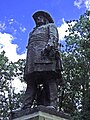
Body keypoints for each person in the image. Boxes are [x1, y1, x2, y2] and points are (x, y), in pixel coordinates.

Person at [22, 11, 62, 109]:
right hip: (32, 57)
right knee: (31, 82)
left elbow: (53, 37)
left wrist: (50, 45)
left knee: (49, 78)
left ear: (45, 19)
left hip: (45, 55)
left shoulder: (50, 26)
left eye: (40, 17)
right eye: (37, 18)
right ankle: (26, 106)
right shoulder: (32, 32)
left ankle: (52, 104)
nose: (38, 19)